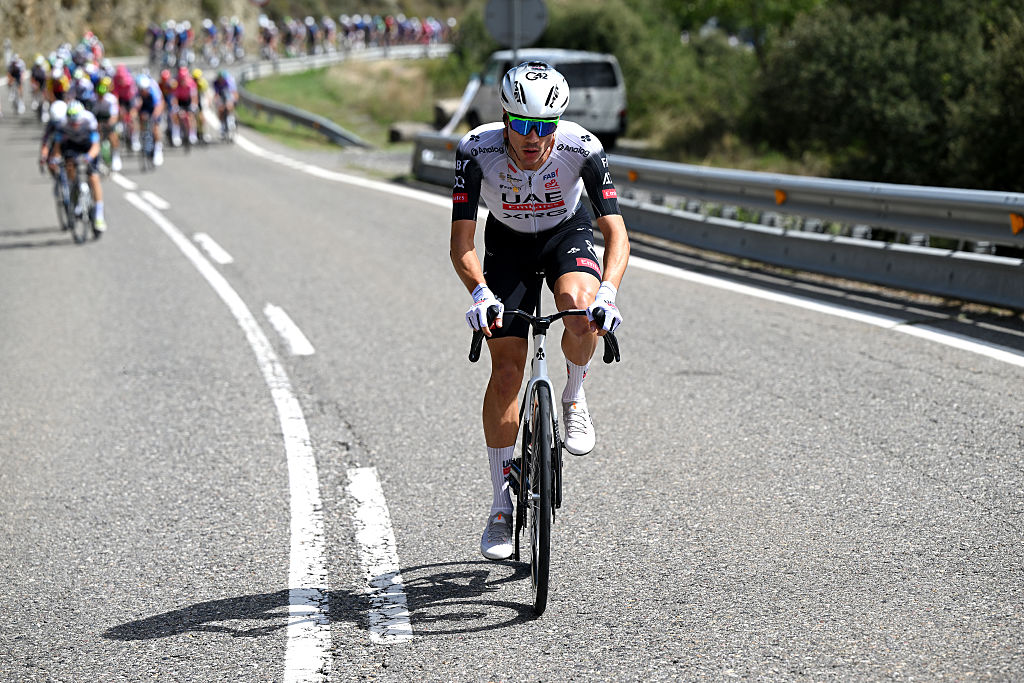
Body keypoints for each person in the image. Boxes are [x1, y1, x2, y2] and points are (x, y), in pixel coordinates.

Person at [449, 61, 630, 561]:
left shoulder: (582, 148)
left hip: (565, 235)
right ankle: (500, 506)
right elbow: (461, 242)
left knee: (577, 306)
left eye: (544, 126)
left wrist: (608, 293)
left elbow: (616, 233)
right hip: (506, 247)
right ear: (504, 116)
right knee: (506, 372)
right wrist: (480, 294)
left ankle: (573, 395)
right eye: (522, 124)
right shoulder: (476, 150)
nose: (533, 138)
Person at [50, 100, 107, 233]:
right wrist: (56, 158)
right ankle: (75, 194)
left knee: (93, 178)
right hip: (72, 146)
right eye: (72, 122)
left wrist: (89, 157)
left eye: (77, 122)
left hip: (88, 146)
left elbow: (96, 145)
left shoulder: (89, 120)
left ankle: (99, 215)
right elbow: (58, 146)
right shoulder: (63, 123)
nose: (75, 124)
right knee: (69, 165)